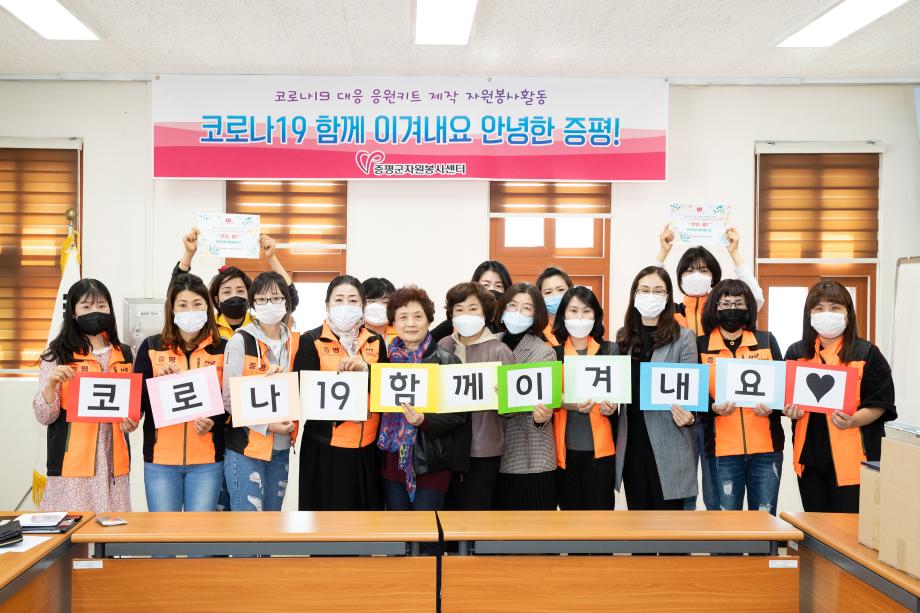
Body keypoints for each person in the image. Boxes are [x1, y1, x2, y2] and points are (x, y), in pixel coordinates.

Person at [655, 225, 764, 510]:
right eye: (690, 270)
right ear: (679, 277)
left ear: (714, 276)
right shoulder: (670, 312)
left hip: (716, 411)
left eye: (704, 270)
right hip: (680, 410)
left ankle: (717, 530)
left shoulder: (722, 312)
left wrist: (735, 254)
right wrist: (663, 253)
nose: (696, 275)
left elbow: (755, 299)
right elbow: (647, 290)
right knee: (683, 487)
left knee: (716, 489)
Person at [783, 280, 896, 513]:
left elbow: (880, 403)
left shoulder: (867, 352)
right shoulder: (797, 352)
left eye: (835, 308)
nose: (827, 314)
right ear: (809, 314)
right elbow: (785, 398)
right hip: (809, 457)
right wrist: (789, 410)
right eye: (819, 308)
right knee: (815, 526)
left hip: (854, 458)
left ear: (847, 313)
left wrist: (854, 420)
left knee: (848, 528)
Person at [33, 279, 138, 512]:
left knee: (113, 530)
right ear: (73, 312)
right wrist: (51, 384)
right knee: (72, 532)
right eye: (86, 306)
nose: (95, 311)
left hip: (114, 465)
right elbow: (44, 416)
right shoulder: (57, 355)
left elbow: (133, 410)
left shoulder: (126, 354)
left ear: (110, 309)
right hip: (72, 464)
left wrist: (131, 422)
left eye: (101, 305)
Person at [294, 275, 388, 511]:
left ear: (362, 306)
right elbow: (302, 394)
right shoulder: (311, 340)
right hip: (326, 448)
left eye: (353, 300)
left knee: (367, 524)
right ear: (327, 305)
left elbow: (386, 389)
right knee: (327, 524)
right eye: (339, 299)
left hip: (369, 448)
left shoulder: (376, 341)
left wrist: (366, 371)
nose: (346, 305)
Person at [136, 274, 227, 511]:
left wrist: (213, 423)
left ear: (208, 307)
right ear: (172, 309)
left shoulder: (223, 349)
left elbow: (230, 403)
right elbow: (137, 404)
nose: (190, 311)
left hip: (207, 460)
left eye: (197, 304)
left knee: (200, 535)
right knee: (163, 534)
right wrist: (157, 382)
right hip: (161, 461)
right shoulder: (151, 347)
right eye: (183, 305)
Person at [615, 266, 699, 510]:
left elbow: (689, 394)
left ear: (667, 297)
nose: (650, 295)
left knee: (670, 527)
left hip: (669, 443)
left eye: (658, 290)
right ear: (634, 294)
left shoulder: (684, 338)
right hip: (632, 443)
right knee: (638, 524)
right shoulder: (623, 338)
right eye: (644, 290)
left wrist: (689, 416)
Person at [697, 280, 784, 514]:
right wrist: (712, 407)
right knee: (726, 525)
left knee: (765, 521)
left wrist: (773, 407)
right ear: (715, 307)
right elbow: (694, 395)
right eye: (725, 303)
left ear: (748, 308)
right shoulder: (700, 345)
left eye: (738, 303)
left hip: (766, 450)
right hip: (722, 451)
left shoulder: (766, 341)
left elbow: (783, 389)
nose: (732, 308)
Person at [378, 286, 465, 512]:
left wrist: (424, 421)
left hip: (431, 464)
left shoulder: (447, 361)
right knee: (398, 532)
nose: (411, 323)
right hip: (392, 464)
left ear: (428, 320)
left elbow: (459, 415)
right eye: (403, 317)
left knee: (427, 531)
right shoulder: (384, 363)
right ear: (393, 323)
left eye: (418, 316)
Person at [222, 272, 300, 511]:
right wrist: (267, 426)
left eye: (276, 298)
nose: (269, 304)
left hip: (281, 447)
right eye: (262, 299)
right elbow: (229, 400)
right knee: (248, 525)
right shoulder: (240, 341)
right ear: (253, 304)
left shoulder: (296, 343)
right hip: (247, 448)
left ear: (286, 302)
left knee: (272, 523)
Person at [438, 282, 515, 510]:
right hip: (447, 450)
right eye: (459, 309)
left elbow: (512, 407)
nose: (465, 315)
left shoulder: (499, 350)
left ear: (485, 313)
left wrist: (504, 398)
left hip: (482, 450)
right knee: (448, 516)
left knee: (476, 516)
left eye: (473, 309)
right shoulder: (444, 345)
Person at [551, 286, 619, 510]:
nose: (580, 317)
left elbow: (618, 396)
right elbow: (548, 398)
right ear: (563, 315)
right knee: (571, 523)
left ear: (596, 316)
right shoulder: (553, 354)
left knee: (601, 523)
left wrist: (612, 407)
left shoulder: (610, 351)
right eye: (573, 311)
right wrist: (567, 403)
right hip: (565, 454)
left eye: (586, 311)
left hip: (601, 453)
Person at [492, 283, 559, 510]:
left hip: (529, 456)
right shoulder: (489, 344)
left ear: (536, 314)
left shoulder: (544, 352)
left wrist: (542, 416)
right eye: (512, 305)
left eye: (527, 308)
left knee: (537, 529)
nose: (518, 312)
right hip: (491, 457)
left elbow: (543, 406)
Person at [173, 228, 299, 338]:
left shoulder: (261, 325)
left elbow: (290, 298)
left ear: (249, 296)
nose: (234, 295)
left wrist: (271, 257)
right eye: (227, 292)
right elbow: (176, 290)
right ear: (216, 299)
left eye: (240, 290)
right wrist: (188, 254)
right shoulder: (206, 327)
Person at [431, 260, 513, 343]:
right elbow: (429, 341)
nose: (492, 290)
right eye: (485, 285)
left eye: (498, 286)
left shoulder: (511, 322)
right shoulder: (460, 319)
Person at [536, 266, 574, 346]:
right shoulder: (534, 331)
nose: (555, 295)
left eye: (561, 290)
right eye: (548, 292)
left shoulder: (583, 325)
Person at [362, 277, 397, 344]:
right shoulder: (350, 337)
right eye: (371, 301)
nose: (377, 307)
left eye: (385, 302)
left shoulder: (402, 337)